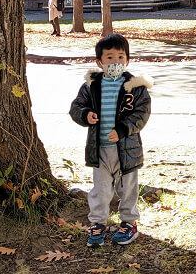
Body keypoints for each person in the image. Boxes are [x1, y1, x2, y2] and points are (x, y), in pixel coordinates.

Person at [70, 33, 152, 247]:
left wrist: (124, 129)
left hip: (127, 150)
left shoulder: (135, 86)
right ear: (99, 62)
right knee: (101, 189)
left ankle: (129, 224)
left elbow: (141, 114)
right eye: (109, 58)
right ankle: (97, 224)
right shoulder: (91, 85)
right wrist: (85, 114)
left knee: (128, 189)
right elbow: (76, 107)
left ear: (127, 60)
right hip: (100, 150)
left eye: (120, 57)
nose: (115, 62)